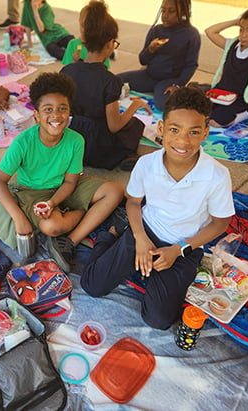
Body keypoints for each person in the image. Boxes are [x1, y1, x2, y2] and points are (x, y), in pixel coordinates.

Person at [81, 87, 235, 330]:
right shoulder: (147, 164)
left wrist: (178, 250)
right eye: (174, 130)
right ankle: (110, 236)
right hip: (146, 230)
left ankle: (150, 269)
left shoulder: (216, 175)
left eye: (194, 132)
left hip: (185, 245)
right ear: (161, 129)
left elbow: (220, 222)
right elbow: (133, 202)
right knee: (92, 285)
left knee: (158, 320)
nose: (183, 141)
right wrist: (140, 238)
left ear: (205, 133)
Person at [0, 72, 124, 273]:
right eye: (48, 109)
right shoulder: (23, 141)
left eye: (62, 109)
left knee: (115, 190)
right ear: (37, 115)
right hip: (32, 192)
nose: (56, 116)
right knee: (51, 227)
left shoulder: (76, 140)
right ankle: (83, 214)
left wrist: (53, 203)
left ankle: (69, 241)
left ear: (69, 113)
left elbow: (70, 182)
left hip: (66, 187)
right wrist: (19, 218)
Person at [61, 0, 151, 171]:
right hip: (98, 145)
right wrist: (135, 105)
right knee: (134, 124)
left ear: (84, 39)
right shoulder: (110, 81)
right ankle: (126, 156)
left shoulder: (68, 70)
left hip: (72, 136)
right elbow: (114, 125)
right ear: (110, 44)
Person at [118, 0, 200, 111]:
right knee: (116, 81)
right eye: (163, 10)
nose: (165, 15)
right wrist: (150, 50)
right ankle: (155, 89)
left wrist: (178, 84)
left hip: (169, 80)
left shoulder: (191, 34)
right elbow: (142, 60)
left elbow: (191, 65)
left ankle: (180, 92)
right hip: (149, 76)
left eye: (171, 11)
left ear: (183, 13)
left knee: (163, 104)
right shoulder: (156, 31)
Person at [205, 8, 248, 128]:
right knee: (199, 111)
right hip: (222, 93)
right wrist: (236, 21)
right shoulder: (232, 45)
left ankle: (246, 114)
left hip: (242, 100)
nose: (243, 35)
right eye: (241, 30)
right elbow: (210, 31)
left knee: (215, 121)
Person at [61, 0, 111, 69]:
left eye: (87, 27)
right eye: (82, 26)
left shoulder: (100, 46)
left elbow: (104, 69)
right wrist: (74, 62)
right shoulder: (73, 44)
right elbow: (66, 71)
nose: (83, 30)